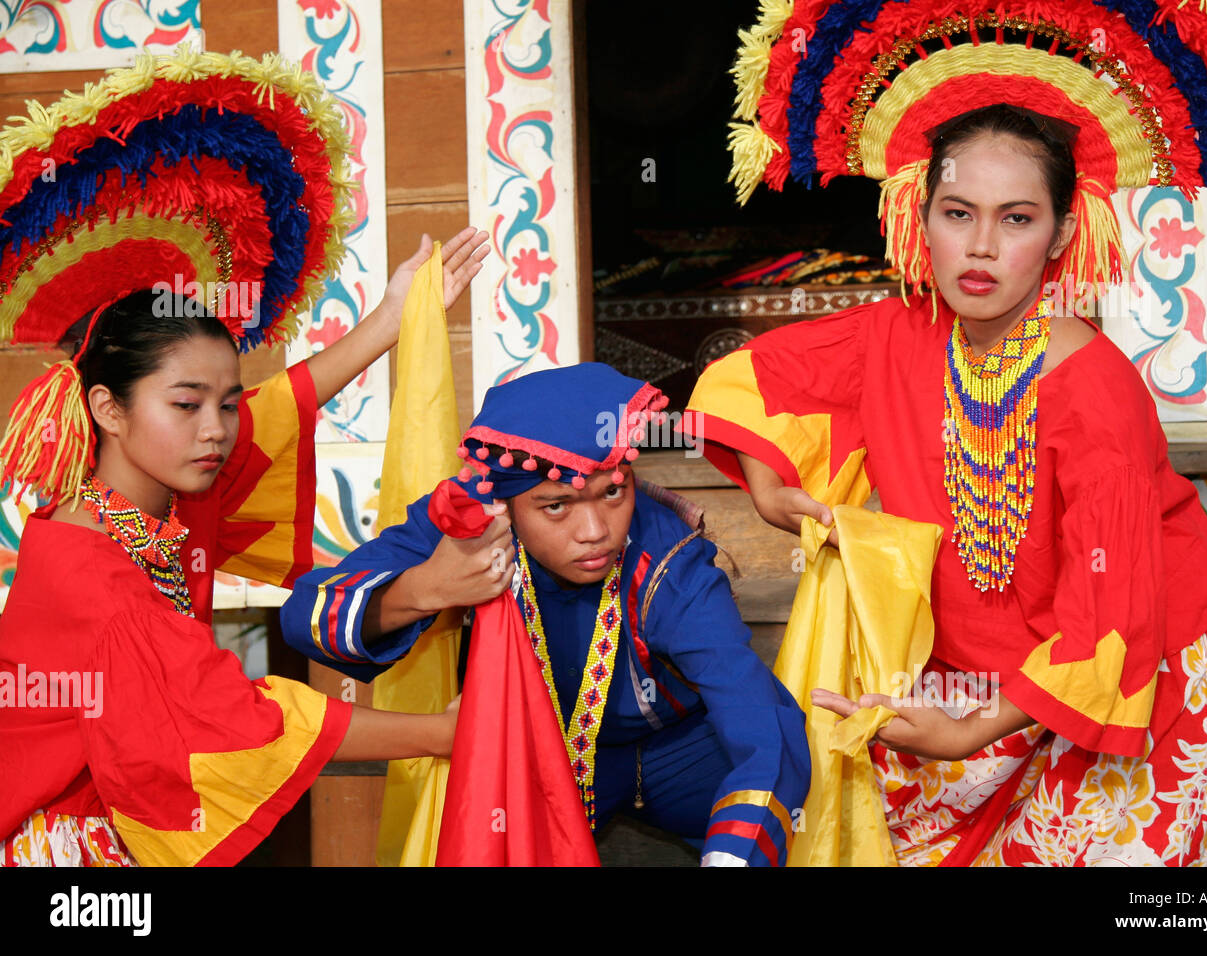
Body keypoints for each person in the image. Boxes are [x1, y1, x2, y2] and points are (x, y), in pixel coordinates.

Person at [683, 0, 1207, 865]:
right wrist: (773, 486)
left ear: (1061, 236)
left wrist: (972, 731)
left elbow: (1108, 618)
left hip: (1148, 669)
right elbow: (746, 380)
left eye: (1016, 219)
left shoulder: (1097, 394)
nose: (980, 248)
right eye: (957, 212)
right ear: (915, 215)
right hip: (981, 668)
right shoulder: (894, 336)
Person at [0, 50, 490, 866]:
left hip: (119, 820)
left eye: (225, 401)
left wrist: (394, 320)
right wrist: (445, 732)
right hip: (61, 845)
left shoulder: (167, 494)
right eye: (188, 404)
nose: (218, 429)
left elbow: (279, 410)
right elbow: (239, 719)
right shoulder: (93, 577)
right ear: (106, 409)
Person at [280, 363, 812, 866]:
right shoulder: (470, 522)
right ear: (506, 503)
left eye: (613, 493)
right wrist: (425, 588)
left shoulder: (668, 561)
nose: (595, 531)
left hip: (689, 753)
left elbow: (759, 722)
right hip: (539, 755)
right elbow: (306, 616)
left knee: (803, 802)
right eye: (556, 505)